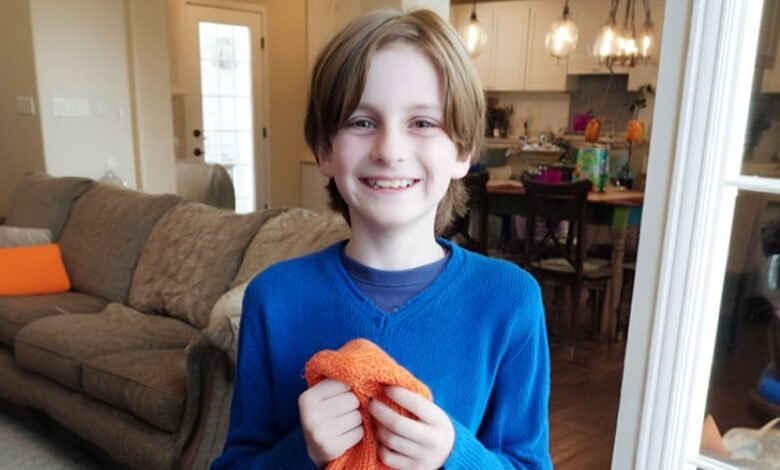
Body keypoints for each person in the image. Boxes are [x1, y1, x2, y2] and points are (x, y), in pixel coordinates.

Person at [211, 8, 551, 469]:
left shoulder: (509, 300)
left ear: (463, 151)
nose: (390, 150)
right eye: (362, 122)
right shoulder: (273, 298)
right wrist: (302, 451)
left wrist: (455, 455)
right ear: (325, 150)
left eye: (423, 123)